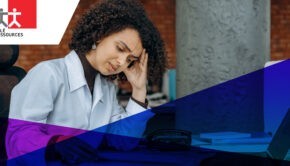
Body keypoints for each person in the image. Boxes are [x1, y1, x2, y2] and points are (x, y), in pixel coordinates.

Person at [5, 0, 167, 164]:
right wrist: (54, 144)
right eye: (120, 48)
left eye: (130, 60)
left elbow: (122, 141)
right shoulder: (49, 74)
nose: (121, 62)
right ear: (99, 35)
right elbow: (17, 138)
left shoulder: (106, 89)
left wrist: (139, 90)